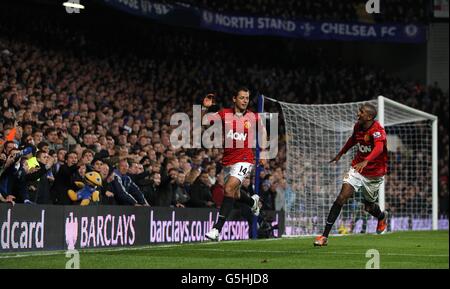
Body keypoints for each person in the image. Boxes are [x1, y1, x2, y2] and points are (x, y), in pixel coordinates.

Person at [314, 104, 389, 246]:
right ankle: (324, 237)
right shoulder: (358, 126)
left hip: (374, 174)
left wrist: (367, 161)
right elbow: (352, 140)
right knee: (341, 197)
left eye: (361, 112)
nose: (358, 113)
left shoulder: (377, 130)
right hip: (358, 168)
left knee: (368, 207)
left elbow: (379, 148)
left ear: (369, 117)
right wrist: (340, 154)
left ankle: (382, 216)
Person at [203, 87, 265, 241]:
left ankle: (216, 230)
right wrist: (205, 108)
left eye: (247, 98)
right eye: (242, 97)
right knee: (235, 194)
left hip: (245, 158)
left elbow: (262, 131)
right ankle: (253, 201)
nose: (245, 101)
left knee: (229, 188)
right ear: (234, 99)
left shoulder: (253, 117)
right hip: (228, 160)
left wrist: (263, 151)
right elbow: (205, 123)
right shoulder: (225, 114)